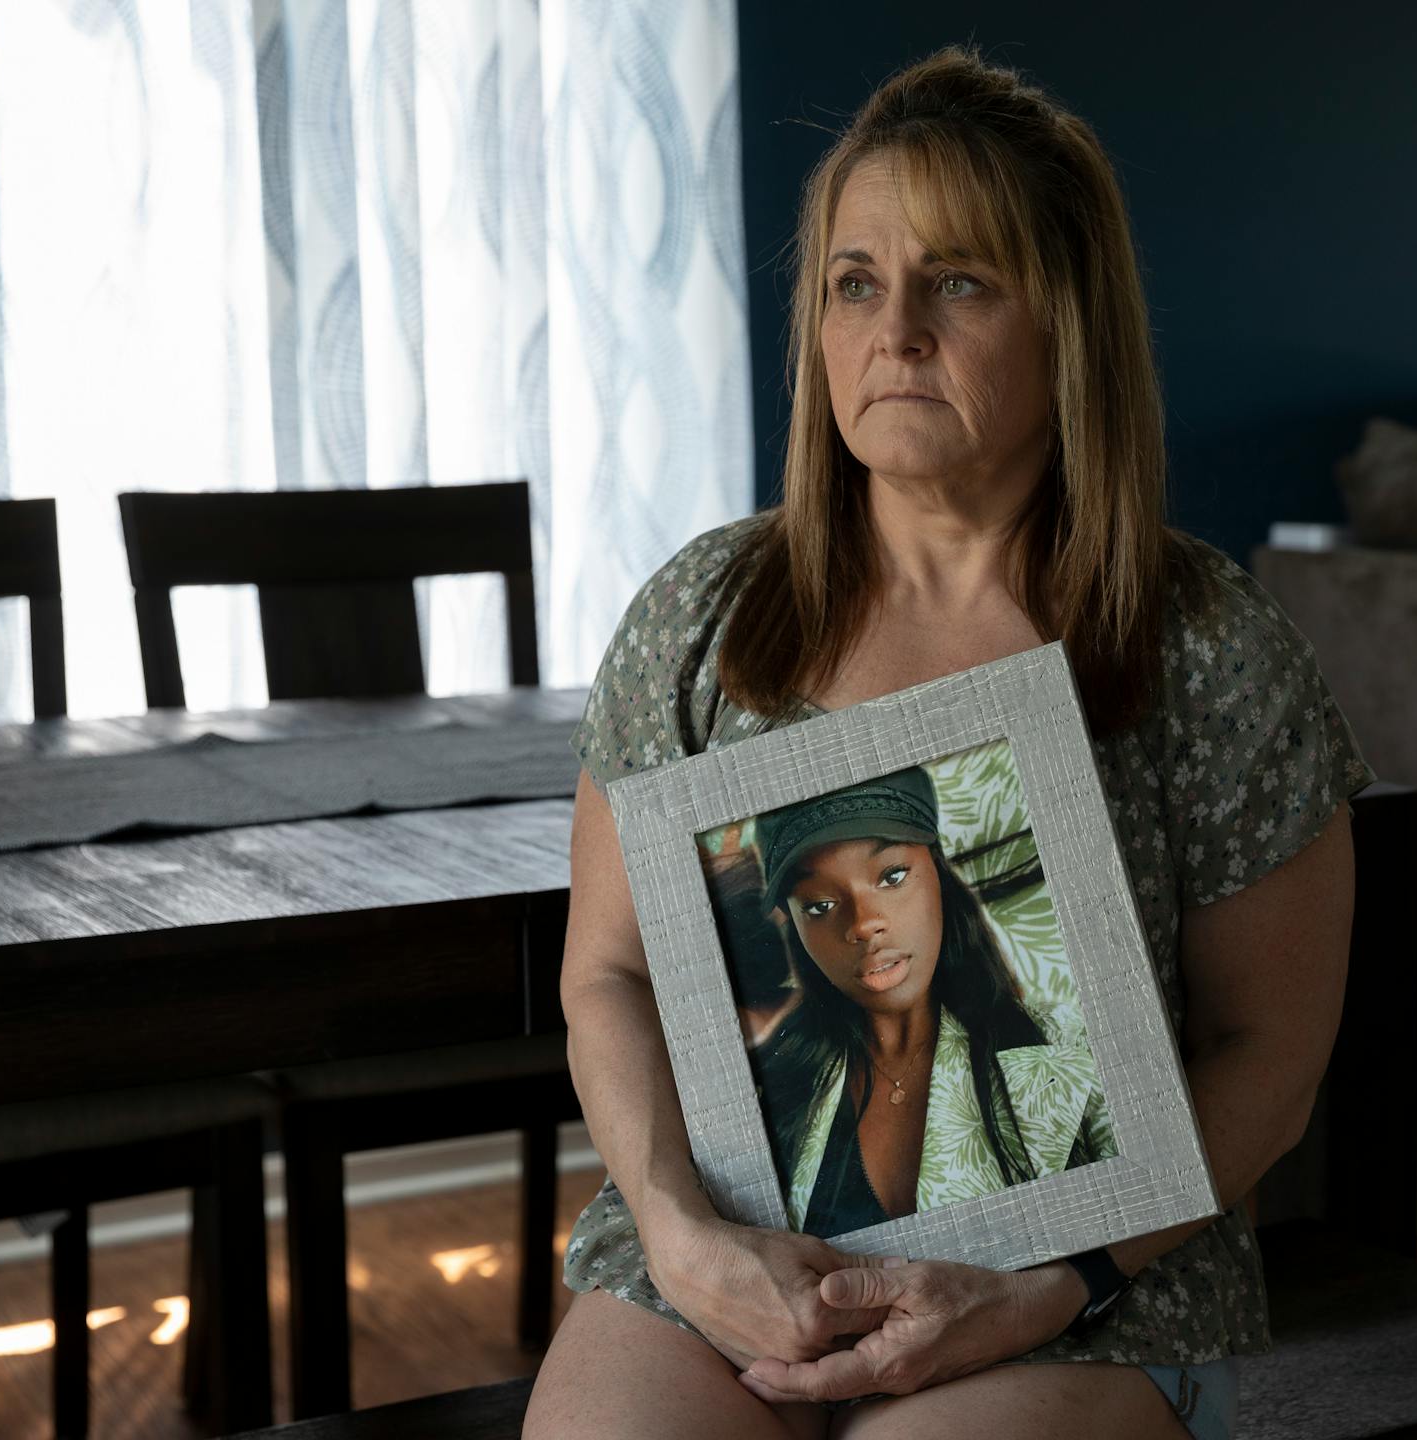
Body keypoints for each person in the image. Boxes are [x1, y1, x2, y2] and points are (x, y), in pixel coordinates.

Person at [525, 44, 1369, 1440]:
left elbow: (1271, 1049)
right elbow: (609, 974)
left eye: (959, 281)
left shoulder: (1206, 644)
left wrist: (1054, 1281)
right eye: (856, 282)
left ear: (1070, 324)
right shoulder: (701, 614)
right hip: (727, 1257)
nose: (895, 328)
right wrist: (679, 1233)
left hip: (1091, 1292)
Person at [746, 766, 1114, 1238]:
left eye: (892, 875)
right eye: (819, 905)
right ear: (795, 928)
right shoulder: (769, 1096)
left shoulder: (1071, 1046)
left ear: (940, 877)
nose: (863, 924)